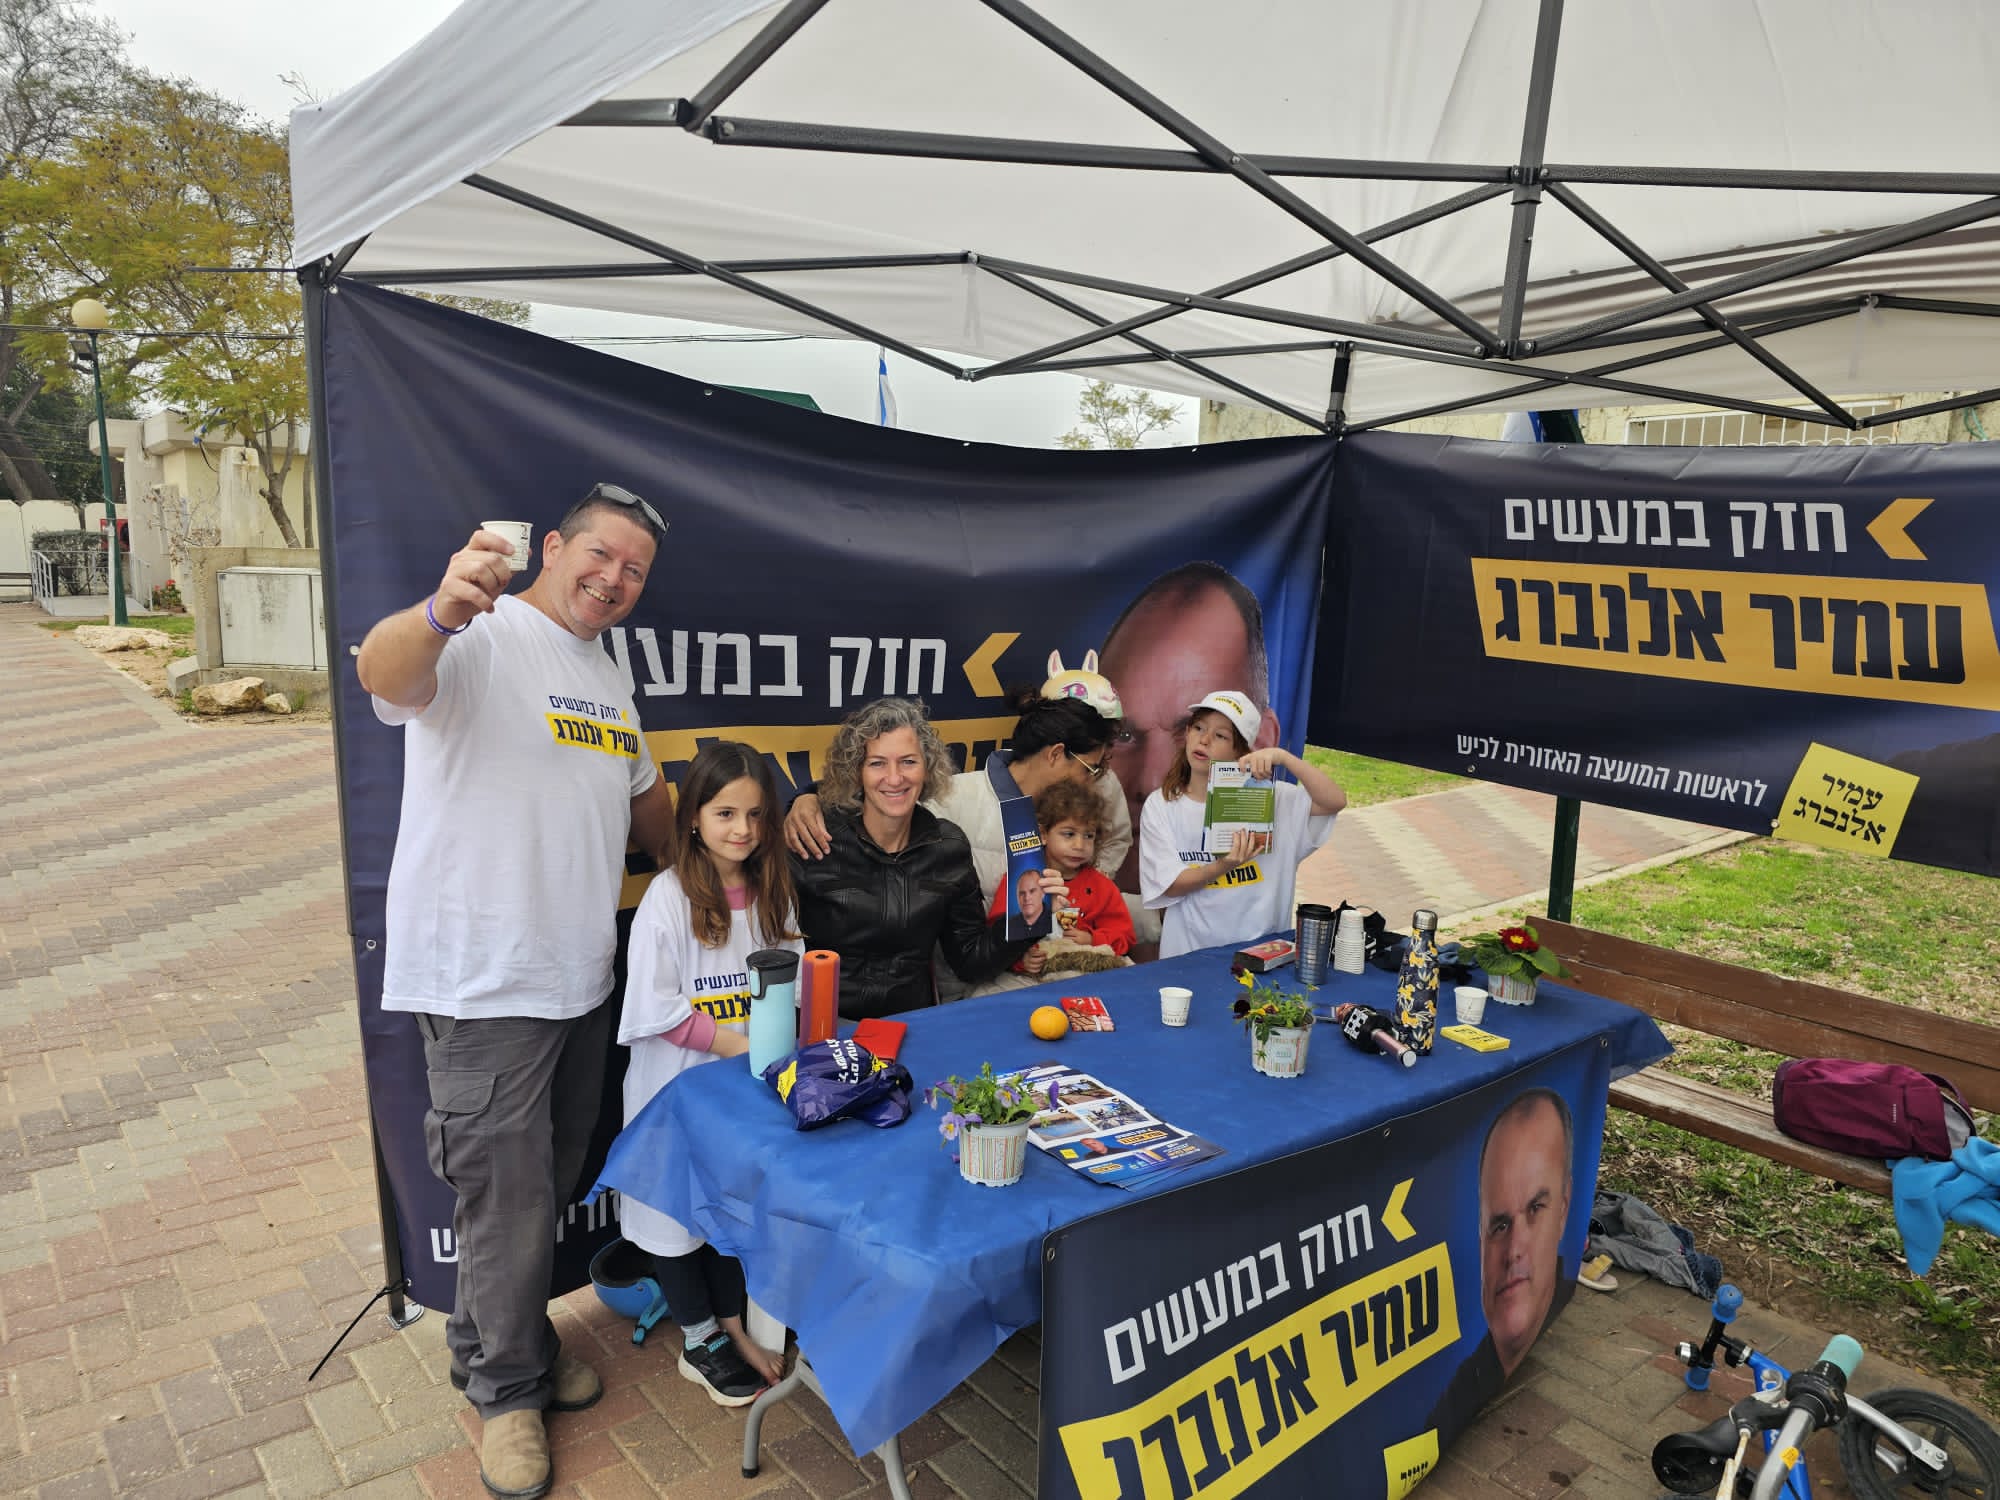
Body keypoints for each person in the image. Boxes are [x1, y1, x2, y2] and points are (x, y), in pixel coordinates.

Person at [356, 483, 675, 1500]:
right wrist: (441, 609)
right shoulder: (482, 635)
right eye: (601, 555)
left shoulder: (607, 676)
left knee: (542, 1185)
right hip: (482, 982)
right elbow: (382, 672)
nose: (614, 579)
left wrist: (738, 854)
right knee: (506, 1201)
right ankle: (505, 1396)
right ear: (554, 549)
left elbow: (650, 806)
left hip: (578, 980)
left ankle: (501, 1342)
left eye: (634, 570)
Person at [617, 741, 795, 1408]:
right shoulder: (668, 897)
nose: (742, 830)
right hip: (676, 1095)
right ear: (692, 816)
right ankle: (699, 1337)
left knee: (726, 1211)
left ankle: (732, 1325)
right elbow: (658, 1010)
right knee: (673, 1219)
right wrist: (740, 1045)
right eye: (725, 813)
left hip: (740, 1094)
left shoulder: (773, 892)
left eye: (755, 814)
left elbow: (790, 982)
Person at [789, 697, 1065, 1019]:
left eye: (908, 762)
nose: (895, 778)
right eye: (877, 763)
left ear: (928, 768)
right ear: (857, 771)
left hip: (911, 1025)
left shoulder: (948, 847)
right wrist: (802, 799)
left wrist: (1027, 918)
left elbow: (971, 962)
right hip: (824, 1026)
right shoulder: (815, 836)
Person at [1098, 563, 1279, 894]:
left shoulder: (1283, 812)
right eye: (1123, 736)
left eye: (1190, 731)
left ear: (1261, 741)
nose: (1151, 782)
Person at [1139, 690, 1344, 959]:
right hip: (1188, 957)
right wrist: (1224, 865)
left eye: (1220, 736)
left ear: (1241, 751)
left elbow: (1334, 801)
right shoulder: (1162, 804)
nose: (1204, 740)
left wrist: (1284, 758)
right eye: (1198, 728)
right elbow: (1168, 884)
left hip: (1259, 955)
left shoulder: (1276, 799)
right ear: (1187, 733)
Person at [1425, 1088, 1577, 1439]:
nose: (1514, 1250)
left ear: (1563, 1210)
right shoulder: (1448, 1405)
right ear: (1480, 1240)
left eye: (1536, 1208)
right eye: (1500, 1225)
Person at [984, 779, 1135, 989]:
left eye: (1088, 836)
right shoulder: (1020, 880)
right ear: (1043, 834)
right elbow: (997, 937)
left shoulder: (1103, 886)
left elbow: (1124, 936)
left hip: (1089, 975)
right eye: (1069, 834)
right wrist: (1021, 960)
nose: (1079, 845)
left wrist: (1092, 938)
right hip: (1033, 979)